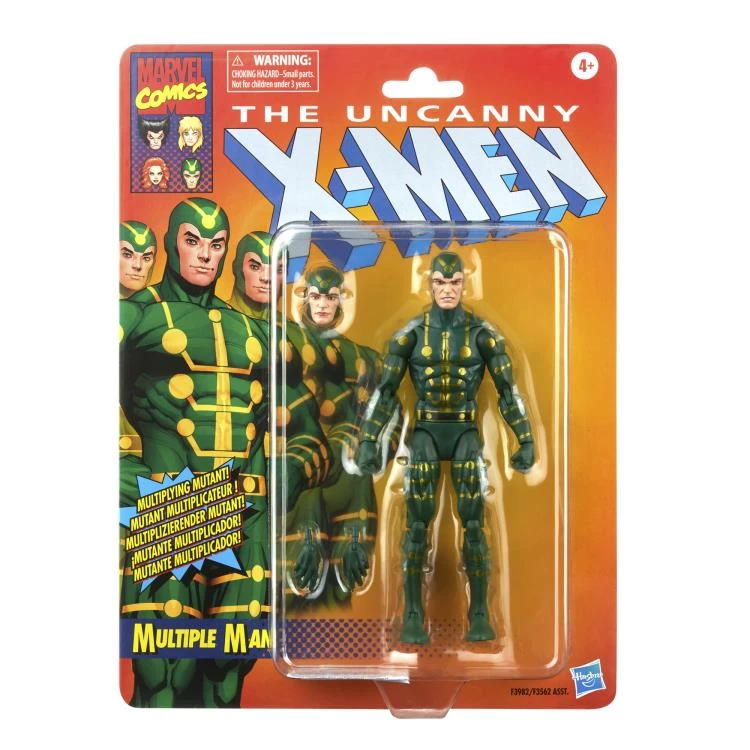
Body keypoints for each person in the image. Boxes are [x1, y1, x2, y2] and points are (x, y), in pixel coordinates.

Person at [120, 198, 328, 706]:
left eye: (216, 245)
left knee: (228, 676)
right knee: (163, 676)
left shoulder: (255, 332)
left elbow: (309, 433)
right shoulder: (136, 314)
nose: (205, 255)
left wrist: (292, 484)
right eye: (193, 241)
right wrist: (124, 478)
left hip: (244, 514)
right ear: (172, 242)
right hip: (172, 509)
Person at [356, 251, 535, 644]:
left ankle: (480, 614)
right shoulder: (410, 335)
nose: (448, 289)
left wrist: (524, 438)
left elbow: (509, 391)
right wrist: (369, 439)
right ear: (430, 284)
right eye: (441, 282)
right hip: (425, 431)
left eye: (455, 282)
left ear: (464, 284)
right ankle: (412, 615)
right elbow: (385, 391)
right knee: (416, 524)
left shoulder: (483, 335)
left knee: (474, 523)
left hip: (465, 431)